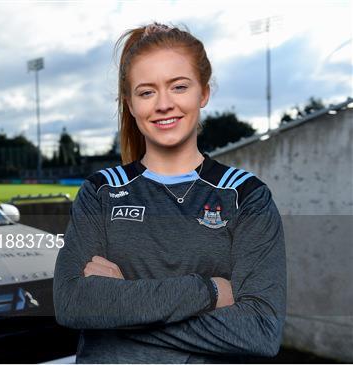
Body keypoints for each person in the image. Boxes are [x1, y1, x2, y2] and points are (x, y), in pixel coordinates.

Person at [53, 22, 286, 364]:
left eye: (178, 87)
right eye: (146, 92)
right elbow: (72, 303)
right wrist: (208, 291)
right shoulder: (101, 191)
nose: (163, 104)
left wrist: (119, 308)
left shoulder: (246, 195)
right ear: (130, 104)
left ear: (203, 93)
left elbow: (260, 331)